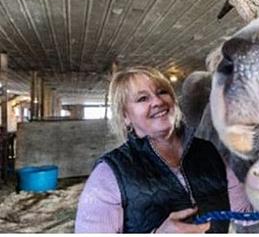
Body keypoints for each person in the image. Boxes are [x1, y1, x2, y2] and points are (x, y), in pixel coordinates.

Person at [75, 67, 250, 233]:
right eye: (142, 99)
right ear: (125, 117)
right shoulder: (109, 173)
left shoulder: (208, 152)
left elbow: (244, 212)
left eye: (162, 92)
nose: (158, 102)